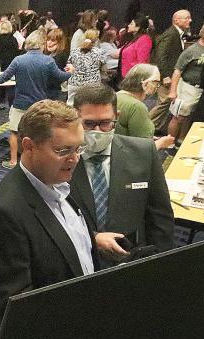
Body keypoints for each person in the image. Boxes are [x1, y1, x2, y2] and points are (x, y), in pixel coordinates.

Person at [0, 99, 99, 339]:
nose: (75, 158)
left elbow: (60, 237)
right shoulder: (5, 213)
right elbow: (15, 310)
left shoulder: (64, 173)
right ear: (28, 147)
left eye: (79, 148)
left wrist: (93, 240)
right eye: (63, 149)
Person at [69, 85, 175, 263]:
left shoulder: (144, 152)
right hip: (76, 257)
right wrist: (92, 237)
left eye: (105, 123)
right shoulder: (60, 158)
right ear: (75, 117)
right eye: (88, 123)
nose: (97, 131)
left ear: (116, 116)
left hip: (129, 257)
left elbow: (160, 216)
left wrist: (161, 263)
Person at [0, 35, 73, 168]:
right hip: (39, 105)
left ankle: (13, 161)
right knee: (39, 135)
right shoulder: (48, 61)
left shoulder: (18, 60)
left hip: (20, 103)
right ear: (41, 44)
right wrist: (70, 72)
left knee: (14, 132)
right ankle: (38, 162)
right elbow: (60, 77)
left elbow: (4, 77)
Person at [165, 21, 204, 140]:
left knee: (190, 117)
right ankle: (169, 141)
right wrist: (173, 91)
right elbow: (177, 70)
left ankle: (181, 141)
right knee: (179, 117)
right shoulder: (191, 51)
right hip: (188, 89)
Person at [148, 10, 193, 131]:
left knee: (165, 103)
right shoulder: (171, 34)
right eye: (187, 18)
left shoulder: (177, 34)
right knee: (164, 102)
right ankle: (145, 126)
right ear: (176, 20)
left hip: (170, 74)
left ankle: (152, 127)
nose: (190, 20)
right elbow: (160, 56)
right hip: (167, 75)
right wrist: (165, 76)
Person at [114, 65, 175, 150]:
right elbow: (144, 149)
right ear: (145, 83)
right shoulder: (137, 107)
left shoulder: (116, 96)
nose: (157, 87)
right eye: (156, 83)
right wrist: (162, 142)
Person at [65, 29, 105, 104]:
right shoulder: (99, 52)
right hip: (92, 85)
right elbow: (104, 69)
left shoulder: (74, 51)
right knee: (91, 106)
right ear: (96, 40)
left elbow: (69, 66)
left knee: (71, 105)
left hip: (74, 83)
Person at [43, 28, 70, 100]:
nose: (49, 43)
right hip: (50, 92)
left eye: (52, 40)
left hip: (57, 92)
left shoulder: (61, 57)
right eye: (48, 40)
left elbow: (56, 78)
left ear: (59, 42)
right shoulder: (50, 55)